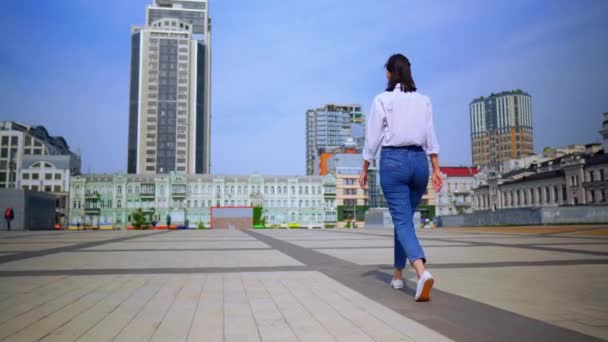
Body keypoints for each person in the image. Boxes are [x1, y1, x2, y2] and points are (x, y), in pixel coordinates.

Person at [359, 53, 443, 302]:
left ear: (389, 73)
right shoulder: (424, 100)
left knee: (403, 221)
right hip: (419, 163)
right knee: (403, 218)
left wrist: (364, 168)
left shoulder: (382, 99)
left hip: (394, 162)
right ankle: (397, 274)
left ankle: (421, 272)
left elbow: (372, 138)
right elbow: (431, 136)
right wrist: (437, 169)